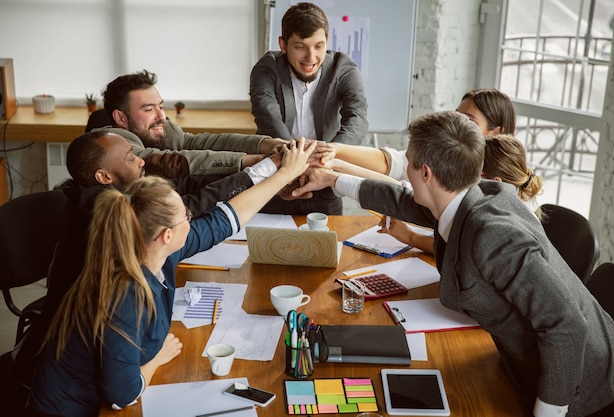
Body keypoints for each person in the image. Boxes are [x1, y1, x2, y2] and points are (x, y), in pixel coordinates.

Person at [292, 111, 614, 417]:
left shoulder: (492, 235)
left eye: (408, 162)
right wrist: (332, 179)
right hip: (522, 358)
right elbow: (404, 199)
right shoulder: (471, 194)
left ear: (426, 173)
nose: (405, 171)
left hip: (586, 384)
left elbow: (566, 325)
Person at [29, 138, 315, 416]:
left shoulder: (154, 251)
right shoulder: (125, 295)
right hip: (71, 408)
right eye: (186, 218)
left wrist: (284, 174)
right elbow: (121, 396)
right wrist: (155, 359)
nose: (192, 221)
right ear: (167, 235)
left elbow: (223, 220)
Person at [249, 2, 368, 215]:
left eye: (319, 46)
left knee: (327, 246)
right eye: (300, 46)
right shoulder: (266, 69)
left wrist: (328, 157)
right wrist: (295, 165)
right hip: (277, 181)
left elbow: (357, 118)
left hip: (325, 183)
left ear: (327, 42)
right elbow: (268, 118)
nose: (311, 58)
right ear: (283, 45)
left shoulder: (344, 68)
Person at [97, 69, 290, 179]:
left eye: (161, 107)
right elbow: (169, 161)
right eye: (148, 109)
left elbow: (199, 143)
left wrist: (268, 144)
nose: (161, 116)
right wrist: (255, 161)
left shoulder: (160, 126)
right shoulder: (114, 148)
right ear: (120, 118)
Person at [378, 133, 544, 254]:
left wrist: (411, 237)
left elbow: (460, 250)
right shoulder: (510, 202)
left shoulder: (504, 226)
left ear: (493, 182)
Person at [321, 88, 516, 182]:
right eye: (457, 116)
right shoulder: (447, 156)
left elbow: (403, 194)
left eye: (469, 121)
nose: (458, 125)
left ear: (496, 132)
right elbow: (393, 163)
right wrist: (334, 150)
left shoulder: (501, 181)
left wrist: (335, 169)